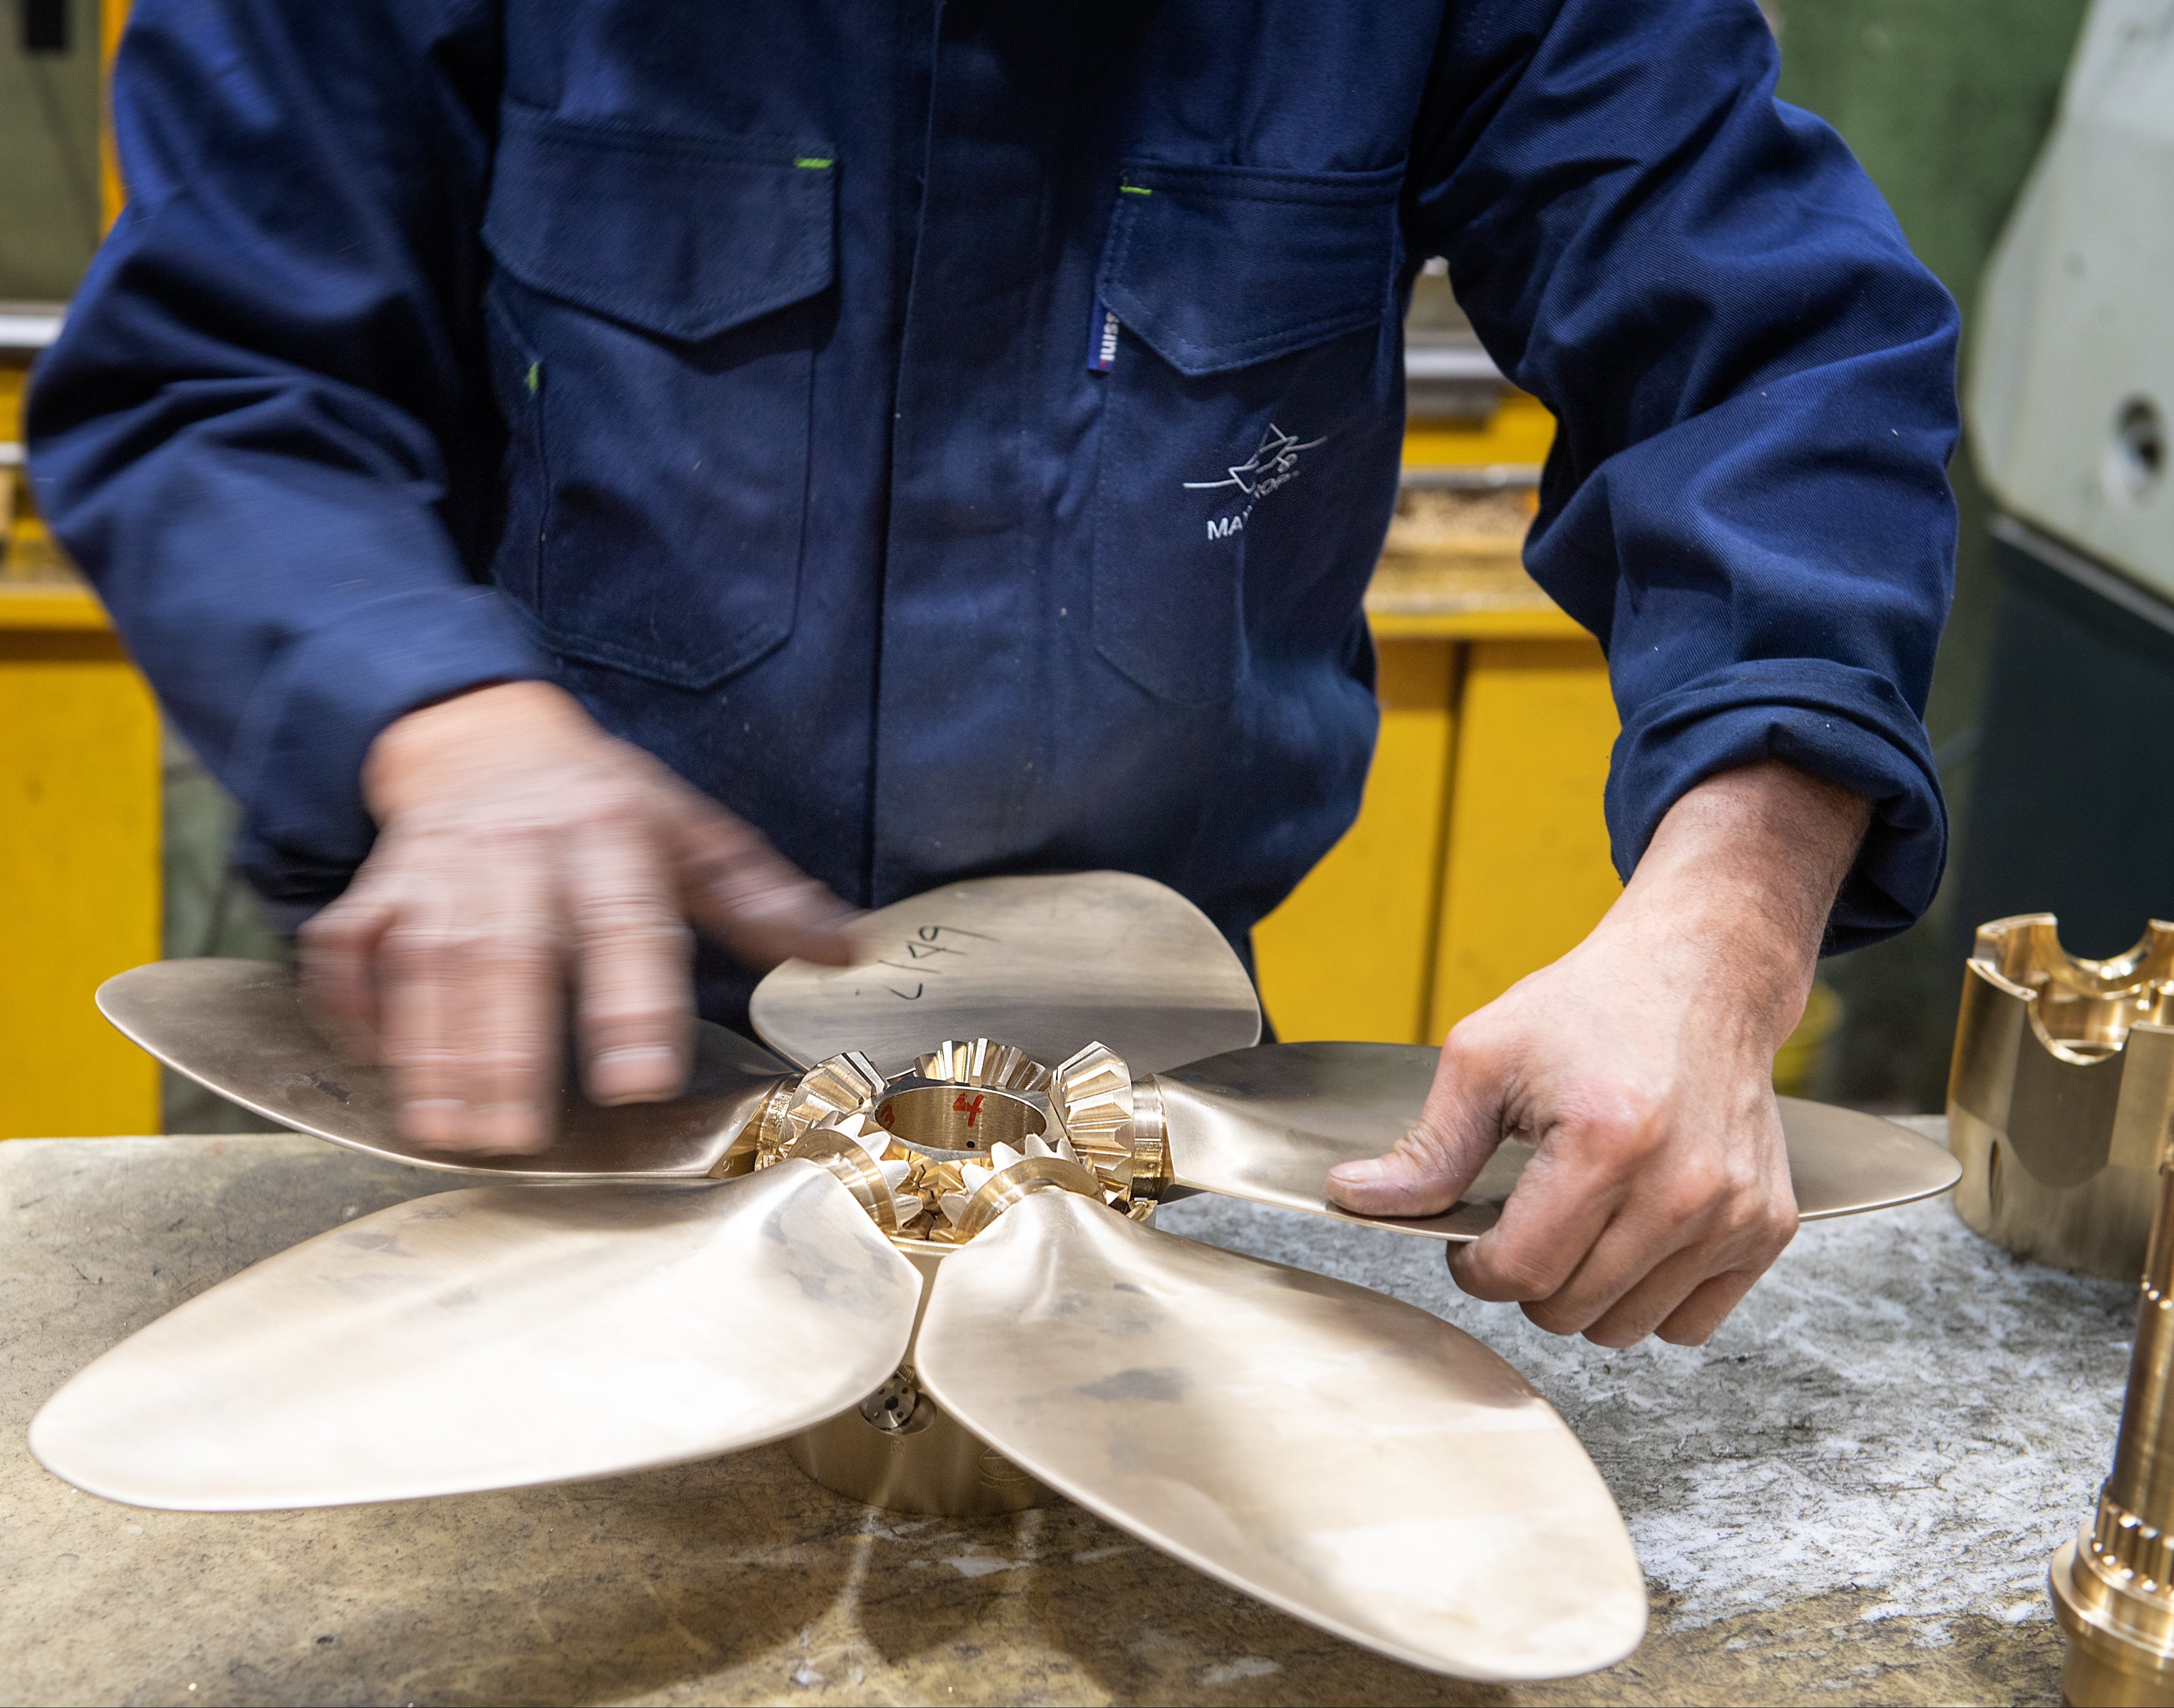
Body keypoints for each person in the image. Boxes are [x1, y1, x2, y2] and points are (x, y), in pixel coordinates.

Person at [27, 0, 1956, 1349]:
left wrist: (1734, 903)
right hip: (486, 1010)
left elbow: (1770, 357)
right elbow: (221, 384)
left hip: (1116, 1074)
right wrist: (436, 721)